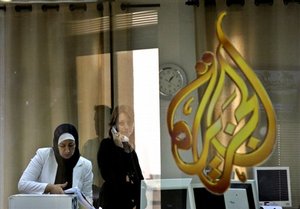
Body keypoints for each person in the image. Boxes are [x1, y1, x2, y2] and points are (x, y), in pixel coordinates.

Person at [18, 123, 93, 204]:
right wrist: (49, 187)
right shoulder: (43, 155)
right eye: (62, 145)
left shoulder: (86, 165)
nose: (67, 150)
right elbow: (23, 184)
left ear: (76, 144)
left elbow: (87, 197)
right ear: (56, 145)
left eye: (71, 145)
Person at [97, 105, 144, 209]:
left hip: (130, 204)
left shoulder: (130, 150)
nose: (126, 127)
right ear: (114, 126)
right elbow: (110, 177)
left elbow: (139, 179)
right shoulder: (106, 145)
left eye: (129, 123)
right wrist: (118, 147)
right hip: (112, 202)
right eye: (122, 123)